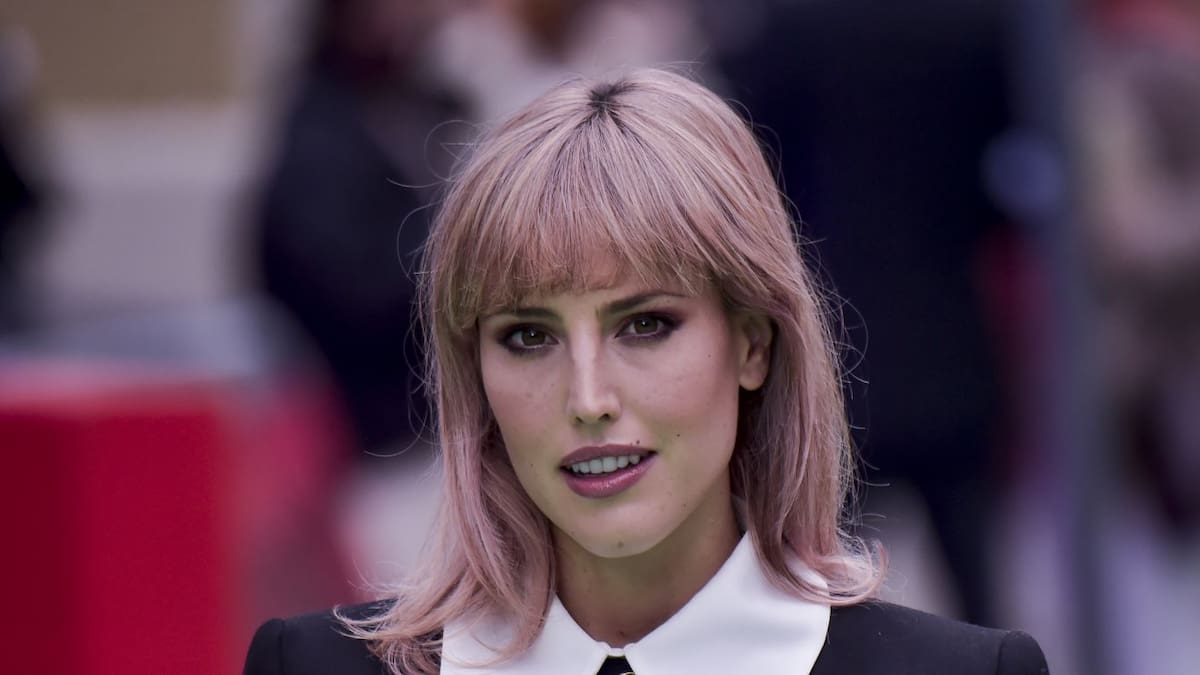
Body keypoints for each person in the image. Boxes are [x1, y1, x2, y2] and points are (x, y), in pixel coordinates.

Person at [243, 69, 1049, 675]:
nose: (589, 398)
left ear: (754, 344)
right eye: (528, 335)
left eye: (645, 325)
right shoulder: (312, 665)